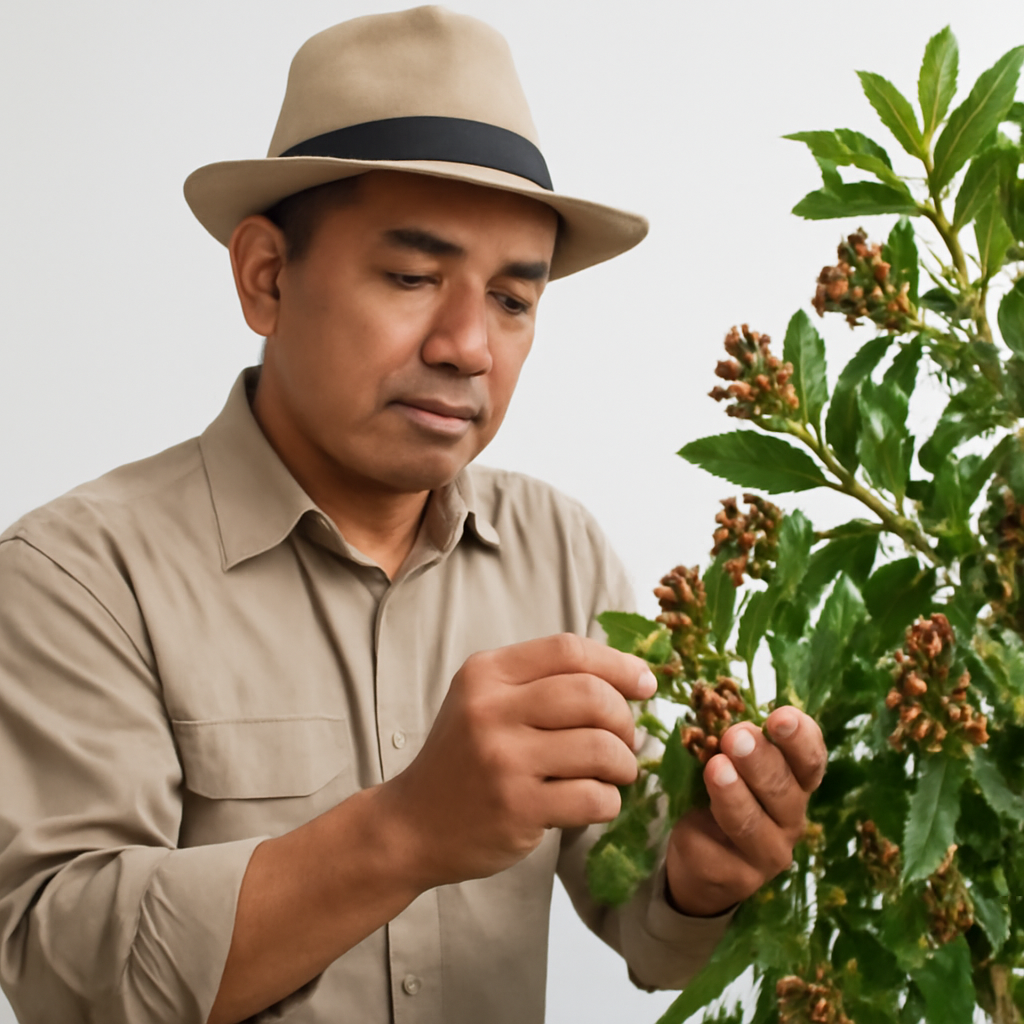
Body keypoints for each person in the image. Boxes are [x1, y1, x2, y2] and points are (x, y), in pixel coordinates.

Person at [0, 7, 826, 1024]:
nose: (468, 345)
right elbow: (65, 975)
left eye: (513, 299)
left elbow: (650, 926)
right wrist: (403, 833)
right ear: (266, 276)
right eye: (412, 276)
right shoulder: (79, 573)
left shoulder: (560, 551)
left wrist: (699, 881)